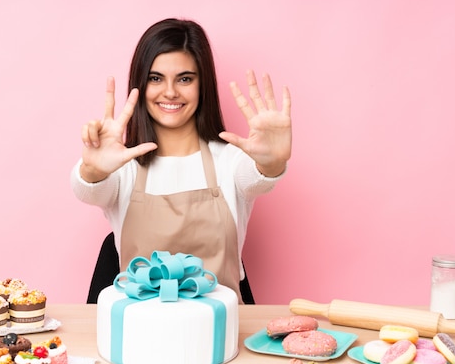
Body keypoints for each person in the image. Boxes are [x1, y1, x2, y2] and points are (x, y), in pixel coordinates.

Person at [71, 18, 292, 303]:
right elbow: (88, 190)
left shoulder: (231, 160)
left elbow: (260, 178)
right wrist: (91, 169)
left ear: (203, 85)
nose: (171, 92)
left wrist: (272, 162)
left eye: (185, 78)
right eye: (156, 78)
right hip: (140, 334)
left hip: (219, 335)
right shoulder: (123, 165)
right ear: (141, 83)